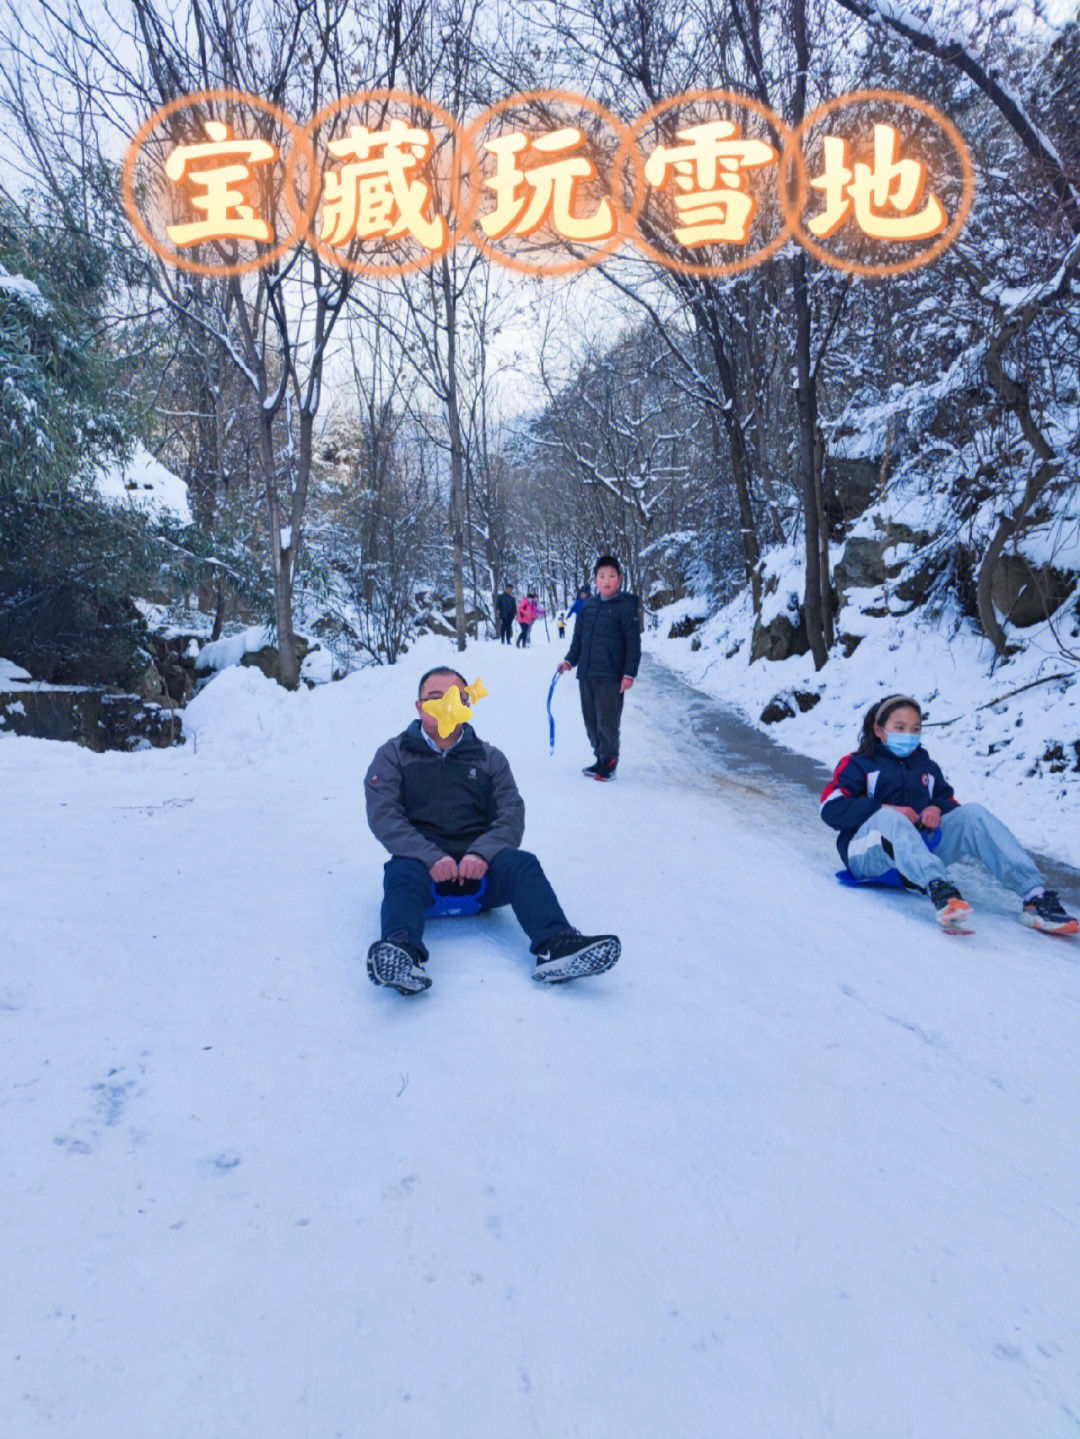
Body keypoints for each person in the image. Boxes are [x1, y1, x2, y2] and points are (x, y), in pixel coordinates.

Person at [363, 666, 621, 993]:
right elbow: (384, 815)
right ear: (419, 707)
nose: (443, 705)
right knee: (400, 871)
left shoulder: (489, 758)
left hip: (480, 874)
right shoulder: (392, 755)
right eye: (434, 698)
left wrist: (481, 853)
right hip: (422, 875)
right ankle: (401, 954)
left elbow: (510, 813)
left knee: (522, 863)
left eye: (453, 698)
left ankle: (556, 944)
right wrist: (430, 857)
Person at [820, 693, 1078, 933]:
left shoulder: (927, 767)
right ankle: (939, 889)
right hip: (868, 857)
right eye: (900, 728)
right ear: (879, 730)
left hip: (917, 855)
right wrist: (883, 808)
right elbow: (830, 808)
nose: (908, 735)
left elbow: (948, 801)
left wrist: (937, 808)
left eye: (915, 729)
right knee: (890, 818)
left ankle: (1035, 897)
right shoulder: (858, 763)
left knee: (973, 814)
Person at [558, 555, 640, 780]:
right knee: (591, 721)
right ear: (595, 580)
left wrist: (629, 673)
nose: (606, 581)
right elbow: (578, 639)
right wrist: (569, 661)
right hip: (587, 674)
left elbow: (633, 643)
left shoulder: (626, 607)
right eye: (602, 576)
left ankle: (610, 761)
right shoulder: (588, 606)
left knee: (607, 720)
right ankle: (600, 758)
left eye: (611, 576)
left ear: (620, 579)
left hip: (611, 675)